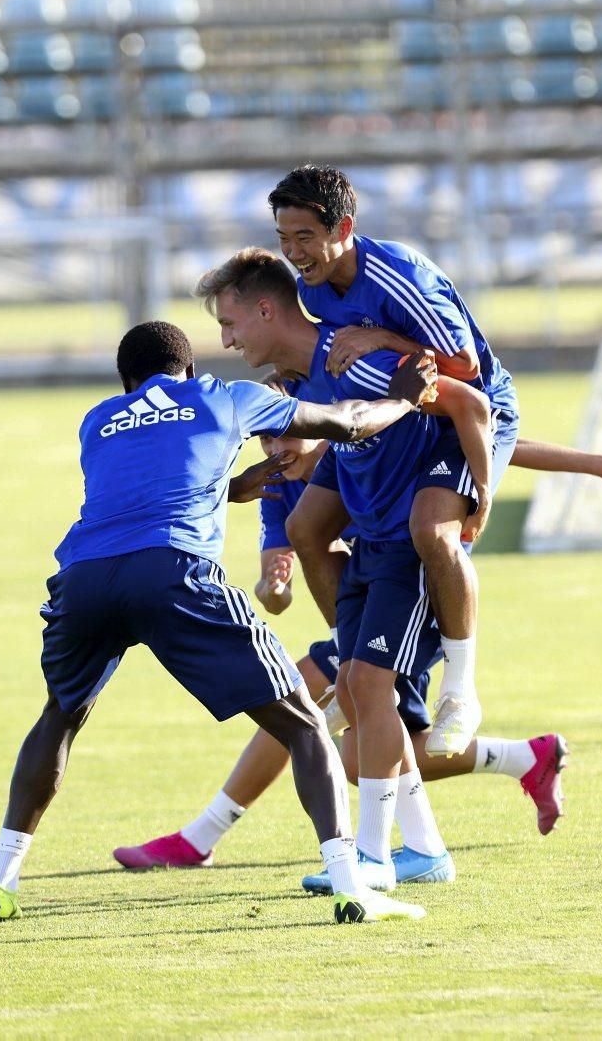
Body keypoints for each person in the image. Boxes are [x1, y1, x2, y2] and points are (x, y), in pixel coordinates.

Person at [0, 320, 439, 926]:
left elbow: (140, 494)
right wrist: (402, 397)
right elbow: (345, 422)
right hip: (172, 570)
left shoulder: (98, 421)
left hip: (84, 576)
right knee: (301, 723)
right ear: (189, 370)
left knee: (59, 717)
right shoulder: (223, 395)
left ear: (125, 380)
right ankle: (354, 888)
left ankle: (0, 882)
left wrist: (227, 486)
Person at [115, 382, 602, 879]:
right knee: (359, 753)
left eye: (288, 431)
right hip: (369, 605)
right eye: (264, 437)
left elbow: (500, 442)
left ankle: (205, 837)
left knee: (297, 694)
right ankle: (512, 767)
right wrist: (272, 590)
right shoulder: (281, 488)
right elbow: (275, 582)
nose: (277, 446)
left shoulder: (355, 442)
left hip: (415, 590)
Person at [179, 247, 491, 891]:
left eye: (231, 324)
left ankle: (374, 857)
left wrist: (475, 501)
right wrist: (245, 487)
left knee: (368, 693)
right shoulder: (303, 383)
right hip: (374, 551)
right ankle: (425, 850)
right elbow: (324, 468)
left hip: (414, 554)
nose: (226, 340)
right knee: (354, 688)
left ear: (267, 310)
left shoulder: (351, 360)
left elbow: (475, 405)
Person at [268, 164, 521, 756]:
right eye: (284, 238)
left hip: (469, 411)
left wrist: (386, 340)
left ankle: (459, 691)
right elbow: (351, 362)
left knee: (433, 531)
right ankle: (346, 662)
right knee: (305, 526)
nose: (294, 252)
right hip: (405, 411)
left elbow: (467, 375)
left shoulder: (398, 276)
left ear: (345, 227)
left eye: (305, 236)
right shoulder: (311, 286)